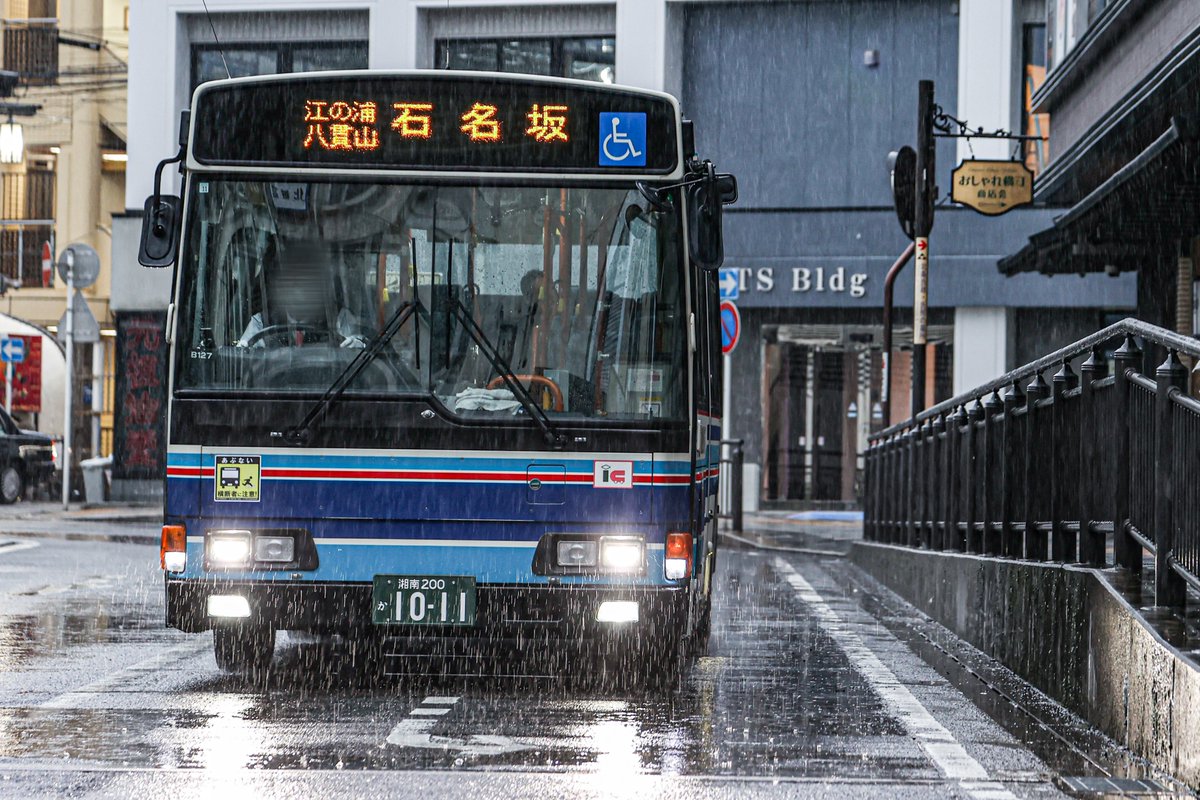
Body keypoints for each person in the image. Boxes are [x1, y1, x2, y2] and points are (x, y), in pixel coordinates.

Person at [237, 240, 368, 348]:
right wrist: (243, 350)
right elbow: (242, 361)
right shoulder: (261, 322)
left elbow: (358, 350)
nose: (298, 291)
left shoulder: (338, 318)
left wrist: (357, 345)